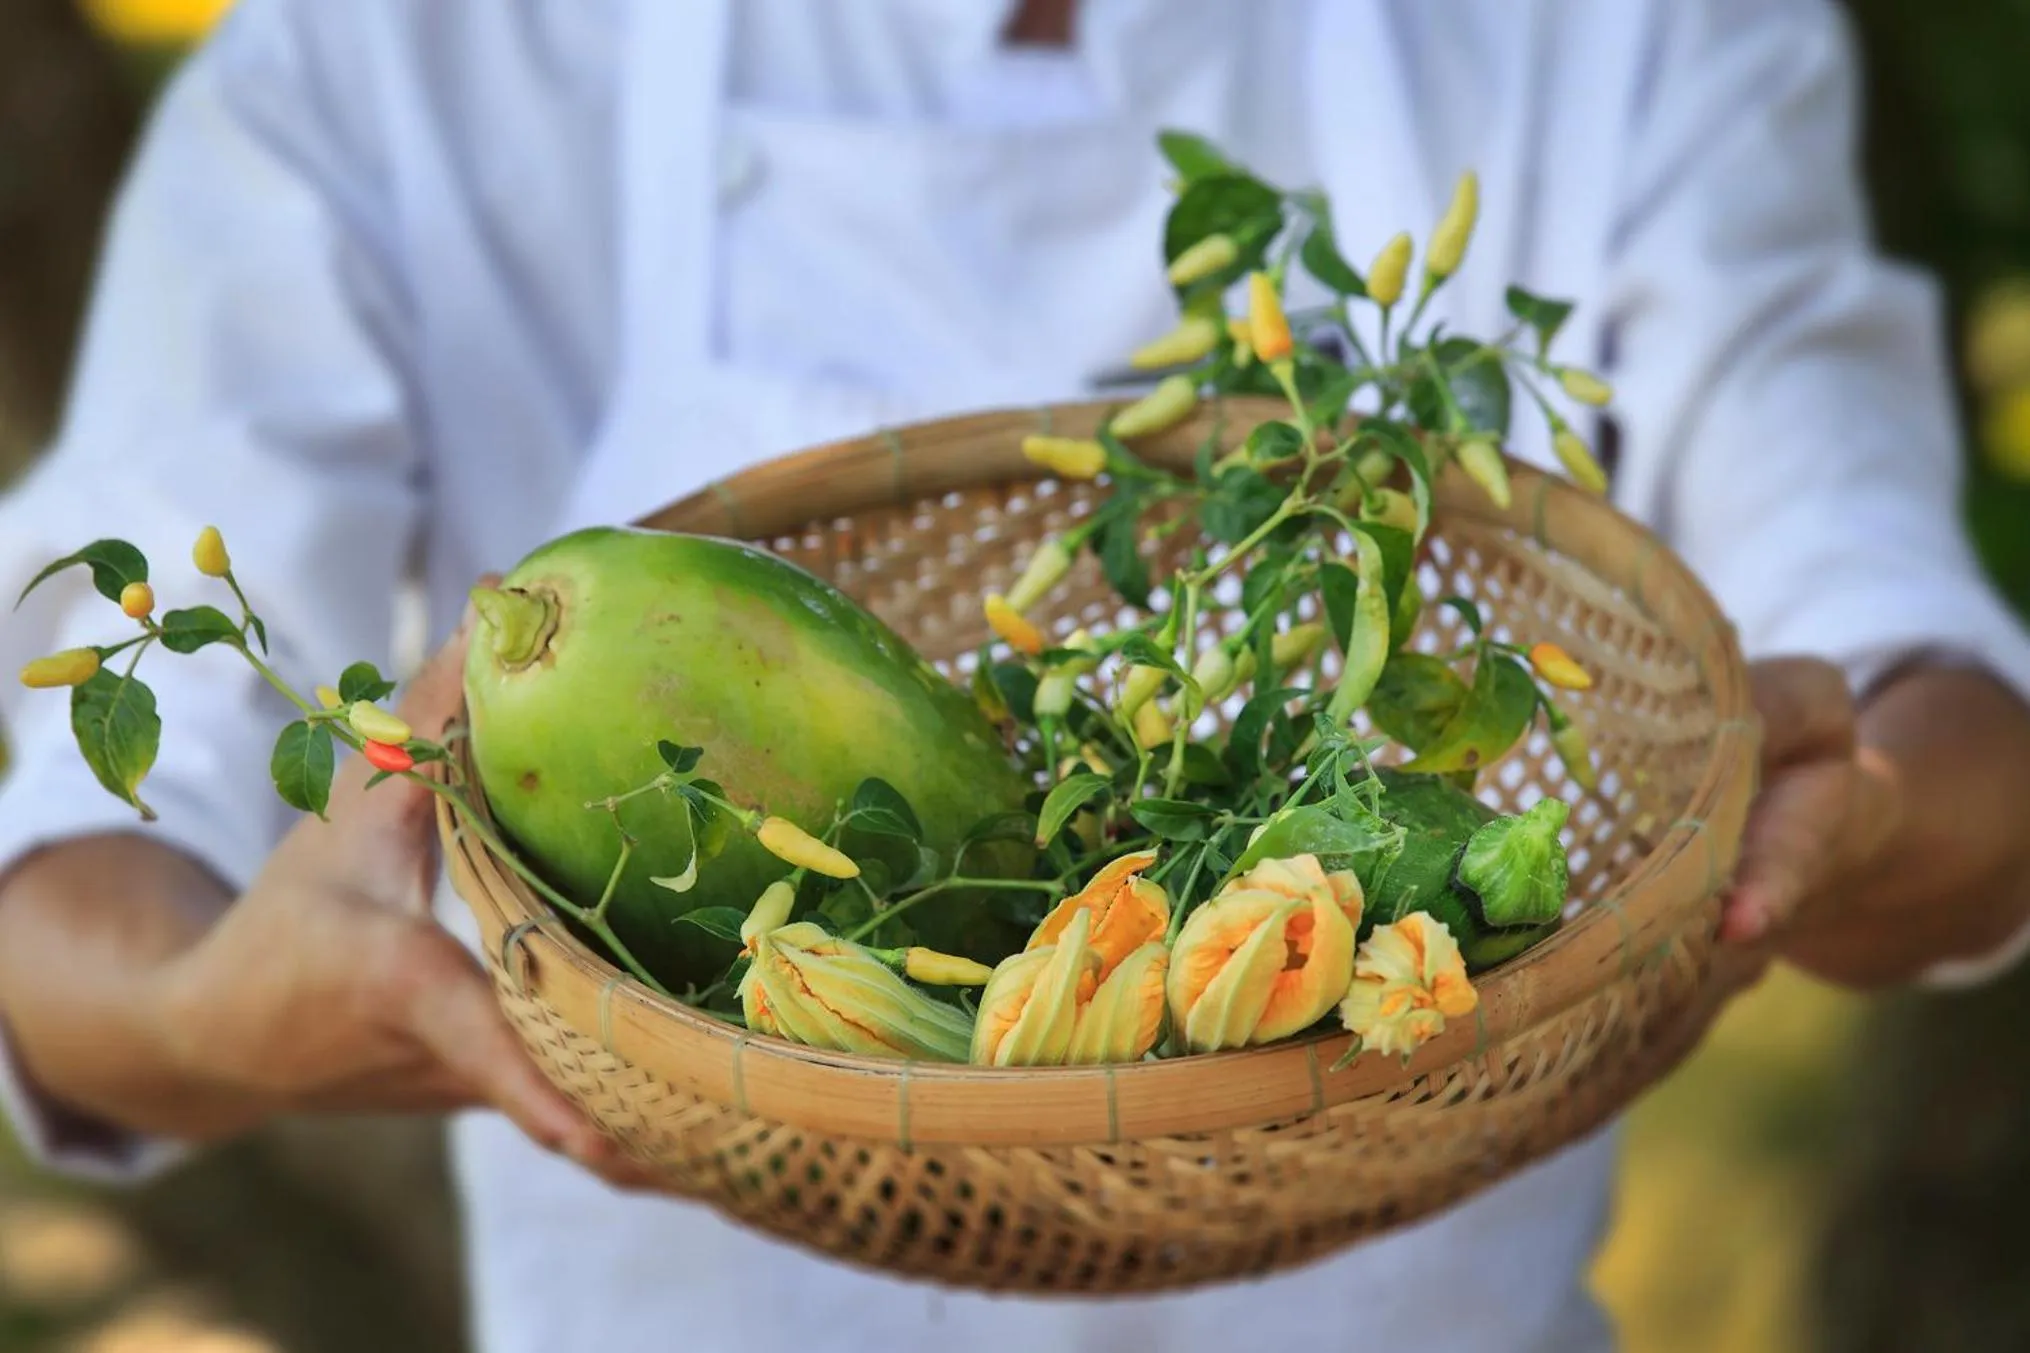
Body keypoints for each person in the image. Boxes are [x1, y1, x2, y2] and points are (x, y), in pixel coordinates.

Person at [3, 1, 2029, 1349]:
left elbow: (1928, 694)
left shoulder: (1621, 35)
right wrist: (206, 1001)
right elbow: (64, 884)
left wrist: (1848, 808)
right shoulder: (395, 60)